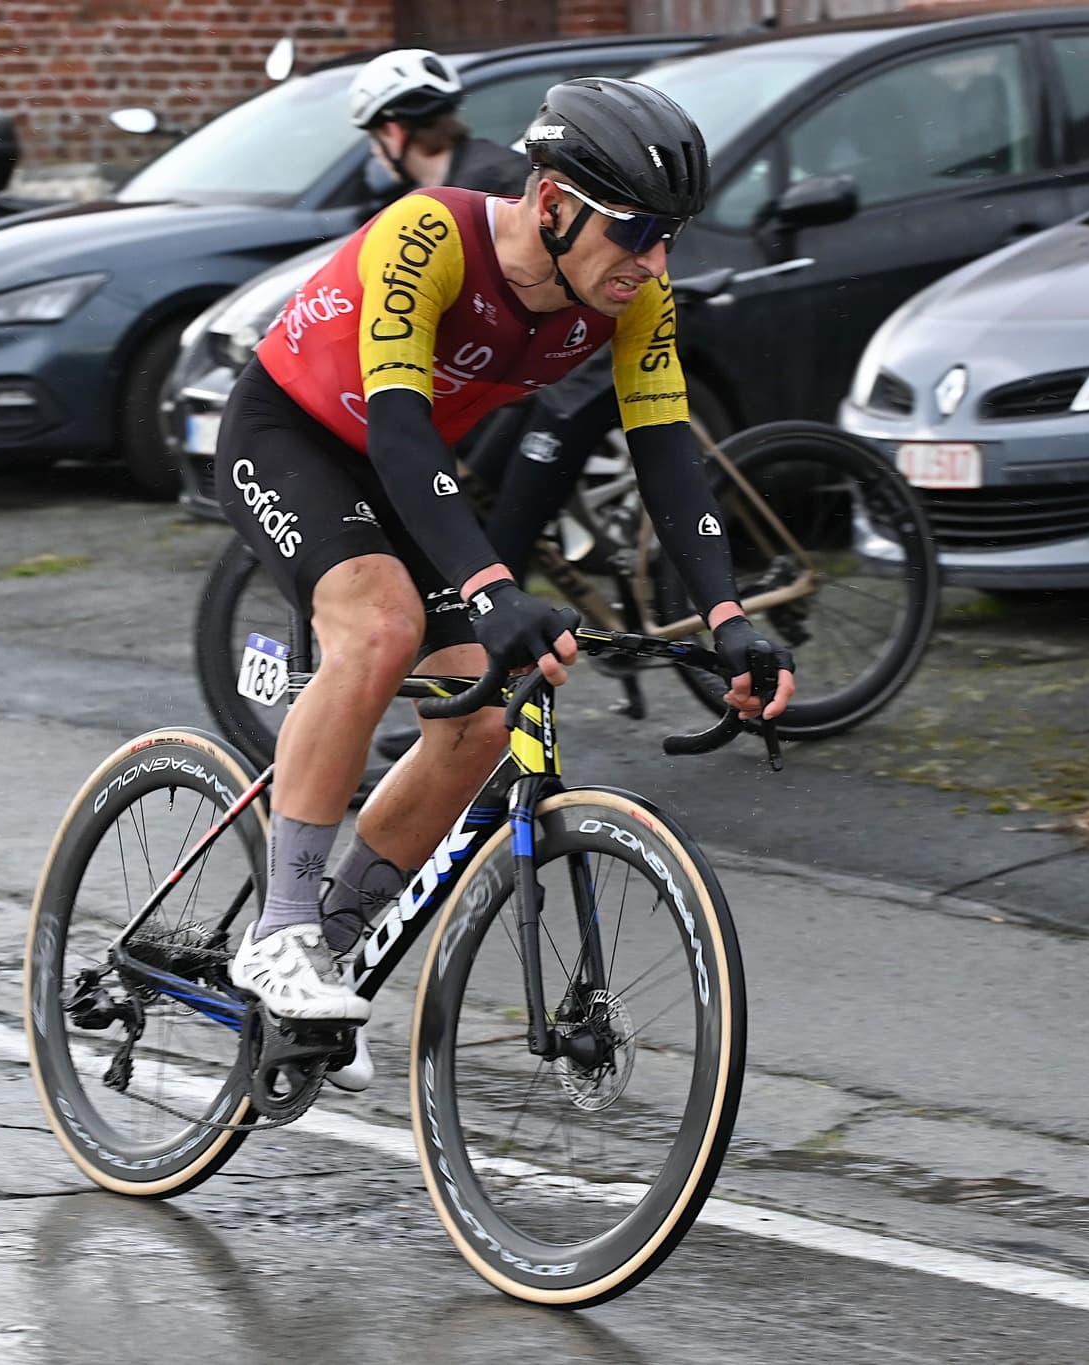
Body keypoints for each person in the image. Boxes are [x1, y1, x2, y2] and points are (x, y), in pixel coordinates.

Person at [215, 77, 796, 1089]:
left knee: (477, 724)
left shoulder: (633, 295)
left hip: (405, 469)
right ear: (552, 200)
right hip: (294, 434)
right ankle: (280, 929)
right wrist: (489, 585)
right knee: (380, 627)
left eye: (671, 234)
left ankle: (330, 953)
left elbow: (665, 451)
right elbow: (395, 429)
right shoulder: (428, 235)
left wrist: (730, 616)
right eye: (636, 229)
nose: (654, 259)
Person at [347, 48, 528, 197]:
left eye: (375, 137)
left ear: (393, 132)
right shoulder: (488, 175)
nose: (375, 152)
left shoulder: (490, 185)